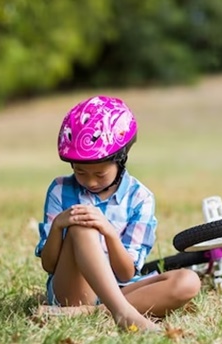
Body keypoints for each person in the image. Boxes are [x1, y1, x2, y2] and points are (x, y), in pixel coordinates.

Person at [34, 95, 201, 331]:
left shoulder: (140, 198)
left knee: (188, 281)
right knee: (83, 224)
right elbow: (49, 265)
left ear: (121, 160)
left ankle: (86, 314)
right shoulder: (60, 190)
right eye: (81, 172)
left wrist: (109, 233)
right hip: (74, 290)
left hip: (122, 287)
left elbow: (126, 272)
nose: (90, 182)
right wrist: (61, 225)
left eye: (100, 174)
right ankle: (122, 313)